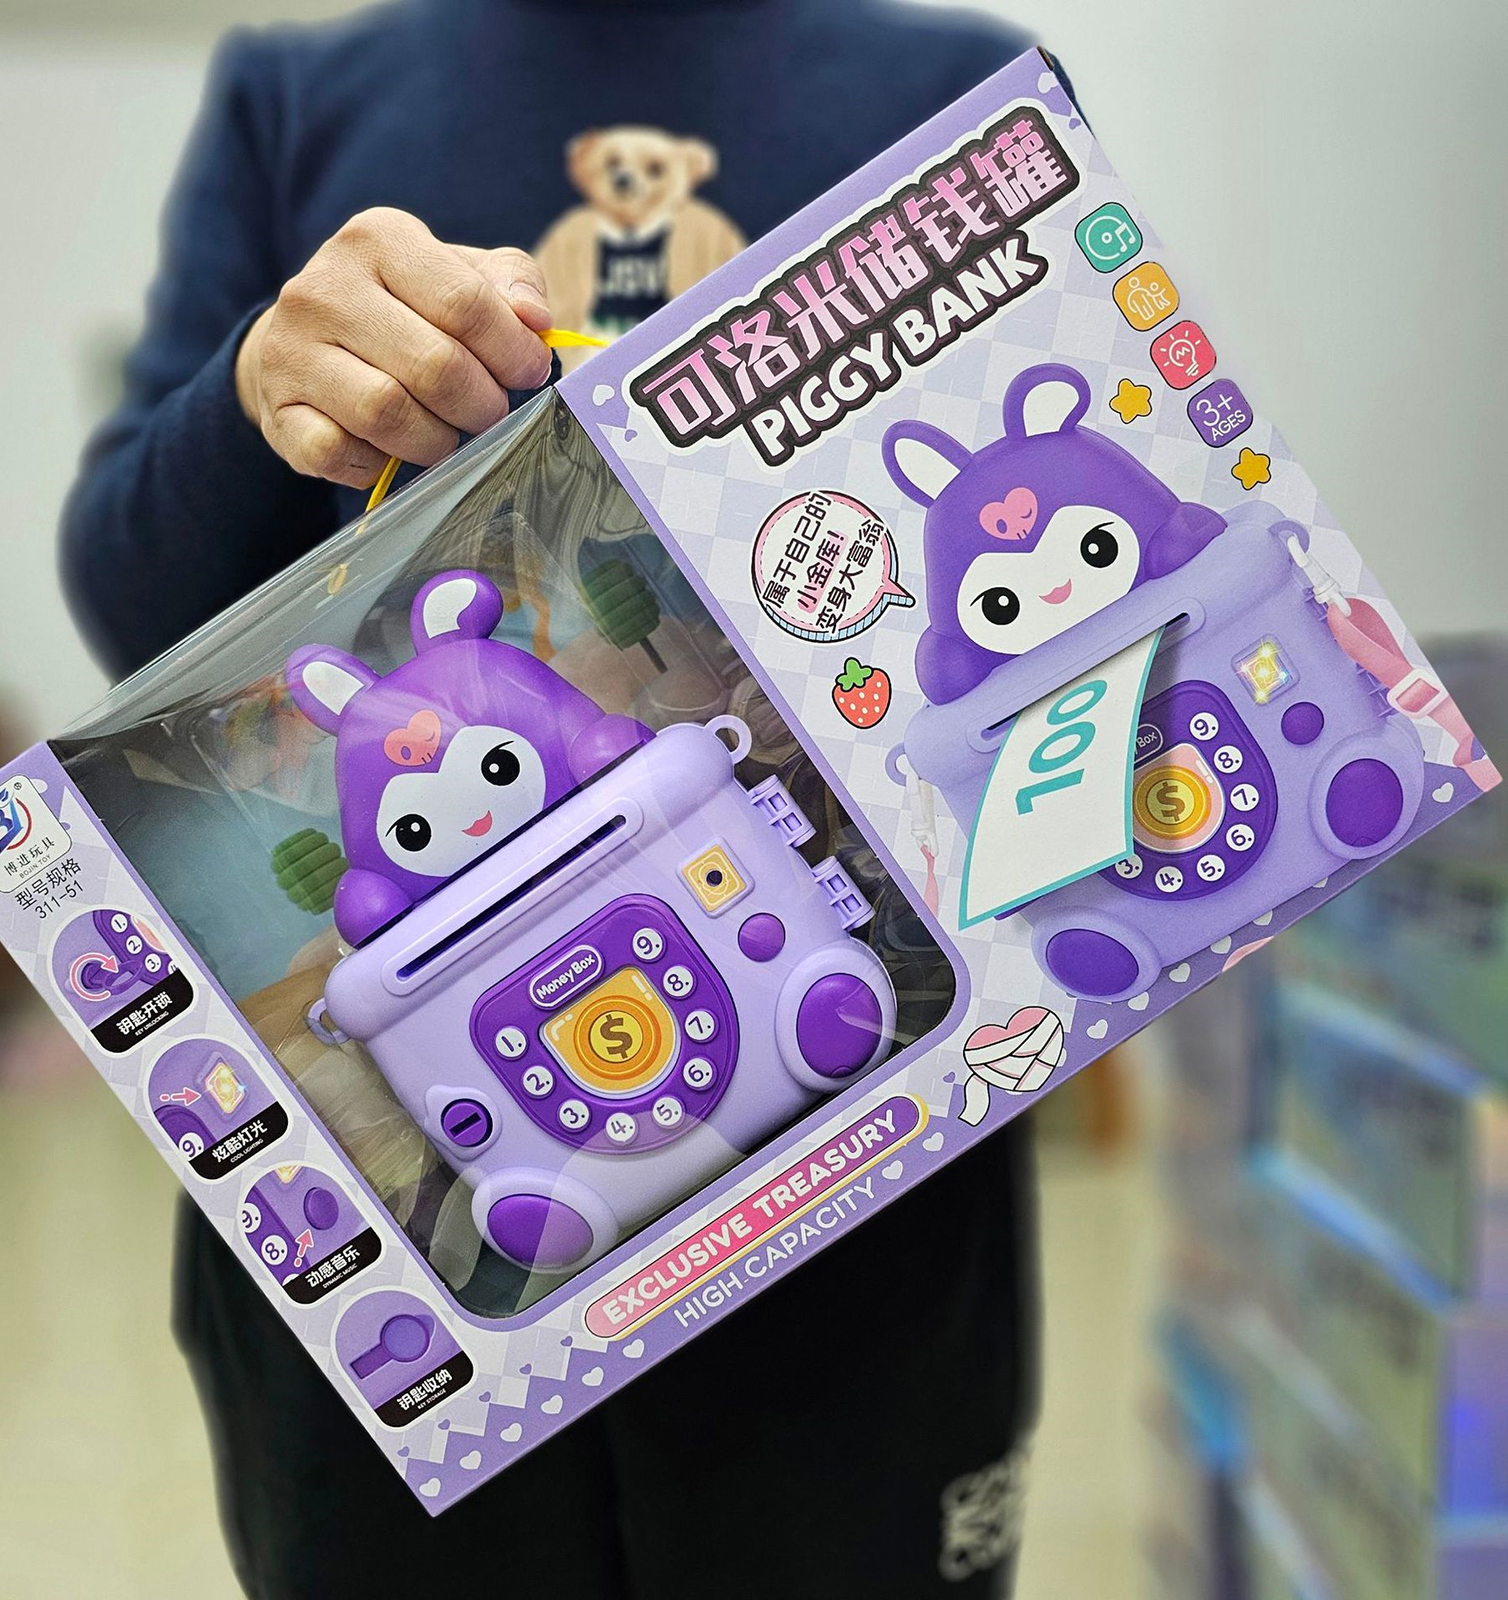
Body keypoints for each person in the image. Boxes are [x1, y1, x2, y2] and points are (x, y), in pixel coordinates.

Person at [60, 3, 1039, 1594]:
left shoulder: (953, 93)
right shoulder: (293, 96)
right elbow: (131, 615)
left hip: (868, 1214)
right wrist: (255, 395)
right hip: (409, 1287)